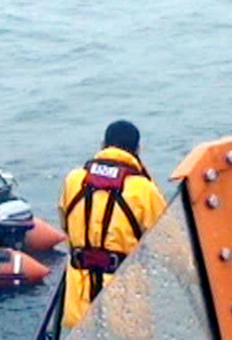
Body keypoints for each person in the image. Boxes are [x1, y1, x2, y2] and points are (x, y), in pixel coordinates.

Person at [57, 120, 167, 328]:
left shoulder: (73, 180)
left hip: (78, 308)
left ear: (102, 145)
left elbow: (66, 225)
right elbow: (168, 244)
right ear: (138, 149)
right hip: (126, 310)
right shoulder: (144, 190)